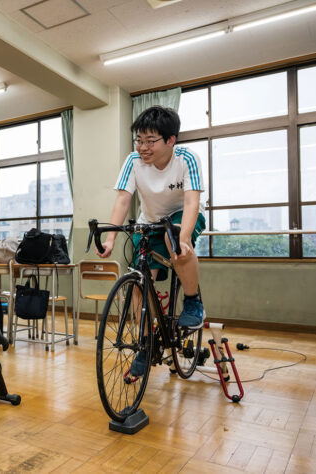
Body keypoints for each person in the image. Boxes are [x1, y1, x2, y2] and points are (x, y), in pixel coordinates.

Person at [97, 105, 205, 376]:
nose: (143, 147)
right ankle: (145, 345)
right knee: (139, 282)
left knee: (175, 245)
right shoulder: (132, 161)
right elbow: (123, 200)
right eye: (139, 140)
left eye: (150, 141)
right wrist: (110, 239)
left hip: (183, 215)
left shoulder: (186, 158)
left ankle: (192, 301)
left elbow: (192, 201)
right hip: (150, 219)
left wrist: (183, 238)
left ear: (171, 140)